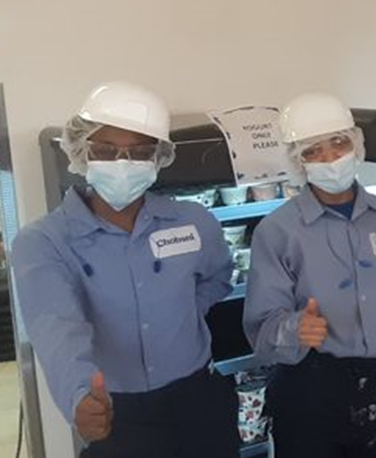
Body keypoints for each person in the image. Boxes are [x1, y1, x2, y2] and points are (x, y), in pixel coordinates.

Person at [11, 81, 239, 457]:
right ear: (82, 151)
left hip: (200, 400)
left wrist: (180, 312)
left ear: (158, 157)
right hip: (117, 414)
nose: (122, 164)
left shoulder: (194, 221)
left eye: (139, 152)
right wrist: (79, 395)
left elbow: (218, 276)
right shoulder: (44, 242)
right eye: (105, 150)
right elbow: (57, 328)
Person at [243, 93, 376, 458]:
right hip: (311, 393)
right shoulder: (278, 230)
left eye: (338, 143)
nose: (330, 158)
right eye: (313, 151)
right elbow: (261, 330)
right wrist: (295, 328)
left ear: (355, 144)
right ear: (298, 161)